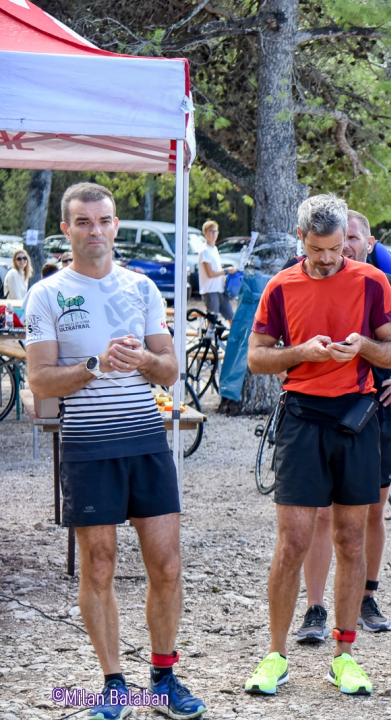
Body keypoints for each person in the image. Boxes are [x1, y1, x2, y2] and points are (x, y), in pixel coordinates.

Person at [24, 182, 207, 720]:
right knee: (99, 566)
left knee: (166, 565)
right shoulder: (48, 294)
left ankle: (164, 678)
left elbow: (170, 369)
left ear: (116, 226)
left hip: (145, 439)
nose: (95, 231)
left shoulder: (141, 288)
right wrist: (95, 366)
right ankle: (113, 684)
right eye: (83, 222)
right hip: (87, 444)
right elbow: (40, 380)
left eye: (103, 220)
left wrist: (144, 361)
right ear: (66, 229)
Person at [243, 194, 391, 697]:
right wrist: (301, 353)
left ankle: (345, 656)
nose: (329, 258)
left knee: (351, 539)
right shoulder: (280, 285)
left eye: (336, 248)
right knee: (292, 540)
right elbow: (256, 358)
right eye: (317, 249)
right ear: (301, 239)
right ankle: (275, 655)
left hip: (356, 420)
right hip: (301, 419)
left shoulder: (372, 280)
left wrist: (364, 347)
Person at [293, 209, 391, 643]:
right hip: (318, 411)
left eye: (354, 239)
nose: (347, 247)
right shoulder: (305, 282)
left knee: (372, 511)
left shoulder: (387, 286)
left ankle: (367, 596)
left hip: (375, 411)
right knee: (321, 513)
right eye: (344, 239)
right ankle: (315, 608)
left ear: (369, 243)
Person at [198, 220, 236, 322]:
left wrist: (224, 279)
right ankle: (207, 333)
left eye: (215, 231)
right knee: (212, 320)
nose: (214, 234)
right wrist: (226, 271)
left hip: (220, 290)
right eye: (211, 231)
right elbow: (210, 273)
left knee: (231, 317)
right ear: (205, 233)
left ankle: (232, 334)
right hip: (210, 291)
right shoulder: (204, 251)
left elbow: (217, 269)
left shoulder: (214, 249)